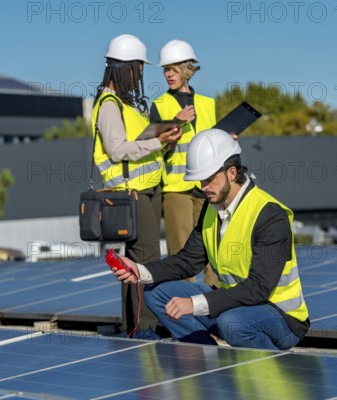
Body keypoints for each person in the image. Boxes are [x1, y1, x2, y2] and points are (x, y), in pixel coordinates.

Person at [111, 129, 310, 349]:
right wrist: (140, 271)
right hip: (236, 303)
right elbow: (188, 261)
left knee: (232, 324)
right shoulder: (211, 208)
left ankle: (274, 365)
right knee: (156, 293)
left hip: (279, 317)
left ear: (232, 173)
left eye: (209, 179)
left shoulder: (270, 215)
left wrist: (194, 304)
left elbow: (258, 288)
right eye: (200, 180)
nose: (204, 187)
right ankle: (207, 359)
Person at [92, 34, 182, 338]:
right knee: (146, 259)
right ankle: (145, 328)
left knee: (137, 261)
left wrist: (163, 141)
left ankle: (135, 325)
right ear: (123, 68)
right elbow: (118, 150)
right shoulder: (108, 105)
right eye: (137, 69)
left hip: (146, 189)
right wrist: (157, 140)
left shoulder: (127, 104)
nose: (140, 75)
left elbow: (138, 144)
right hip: (130, 193)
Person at [149, 40, 228, 286]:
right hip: (177, 189)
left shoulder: (207, 104)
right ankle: (184, 311)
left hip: (206, 186)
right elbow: (155, 147)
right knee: (182, 252)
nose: (168, 75)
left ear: (187, 69)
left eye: (172, 69)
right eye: (165, 70)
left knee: (212, 246)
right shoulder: (159, 106)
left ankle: (217, 302)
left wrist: (226, 138)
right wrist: (176, 122)